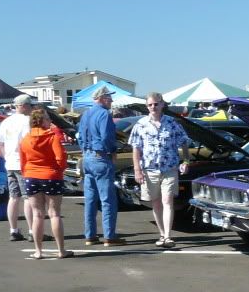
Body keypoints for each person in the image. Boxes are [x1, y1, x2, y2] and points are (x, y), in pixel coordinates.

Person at [128, 92, 191, 249]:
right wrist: (137, 170)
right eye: (150, 105)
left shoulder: (172, 123)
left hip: (169, 168)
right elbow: (136, 149)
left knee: (167, 201)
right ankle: (162, 234)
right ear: (146, 107)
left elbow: (184, 142)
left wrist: (186, 160)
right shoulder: (141, 124)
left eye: (156, 104)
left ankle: (168, 236)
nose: (153, 107)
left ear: (162, 104)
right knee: (156, 203)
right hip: (150, 170)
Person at [19, 108, 71, 259]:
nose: (50, 121)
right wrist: (59, 170)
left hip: (30, 175)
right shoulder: (52, 137)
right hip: (51, 176)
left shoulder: (25, 139)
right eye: (48, 119)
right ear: (42, 121)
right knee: (54, 214)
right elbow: (60, 158)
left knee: (37, 214)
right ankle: (61, 250)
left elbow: (23, 161)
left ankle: (38, 251)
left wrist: (27, 173)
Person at [77, 85, 126, 246]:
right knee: (108, 199)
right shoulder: (104, 114)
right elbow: (106, 137)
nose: (111, 101)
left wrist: (86, 150)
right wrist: (112, 150)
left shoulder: (86, 114)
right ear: (103, 98)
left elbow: (80, 136)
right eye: (109, 98)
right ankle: (109, 236)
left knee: (90, 199)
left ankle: (90, 235)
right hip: (100, 158)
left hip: (88, 157)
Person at [0, 94, 35, 241]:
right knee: (28, 198)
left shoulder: (6, 121)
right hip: (23, 164)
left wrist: (7, 157)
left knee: (13, 197)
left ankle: (14, 230)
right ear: (24, 106)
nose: (32, 108)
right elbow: (28, 143)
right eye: (30, 105)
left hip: (10, 162)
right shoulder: (27, 121)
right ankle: (32, 231)